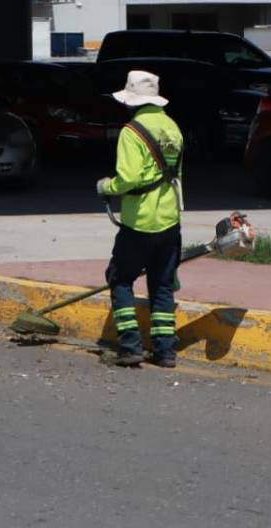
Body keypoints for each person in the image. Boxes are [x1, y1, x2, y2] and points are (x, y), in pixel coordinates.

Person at [96, 70, 184, 368]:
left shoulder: (131, 132)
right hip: (170, 221)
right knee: (162, 285)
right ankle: (165, 351)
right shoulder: (172, 127)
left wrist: (107, 187)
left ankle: (130, 345)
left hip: (139, 223)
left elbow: (129, 179)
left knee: (119, 278)